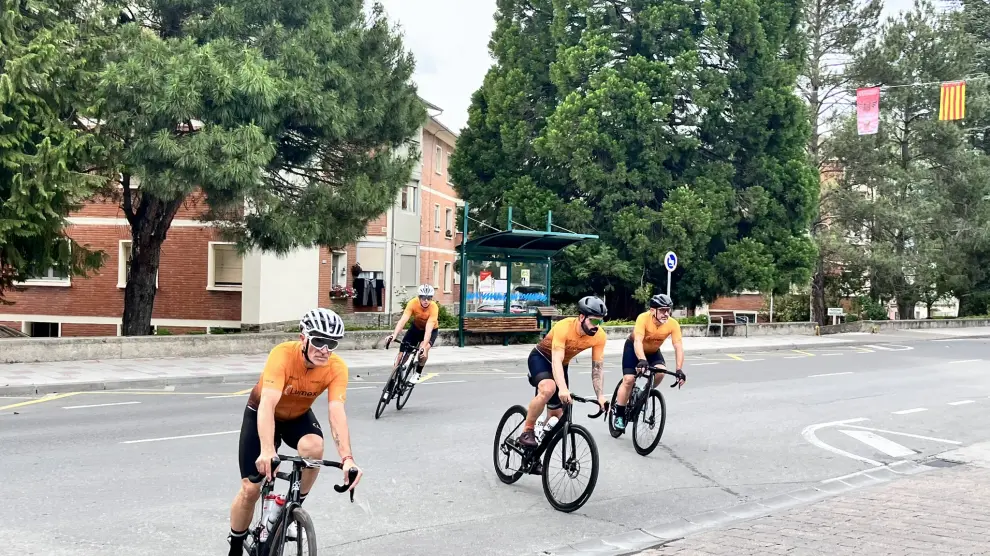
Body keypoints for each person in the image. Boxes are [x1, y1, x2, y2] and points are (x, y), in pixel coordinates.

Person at [227, 308, 362, 556]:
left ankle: (293, 506)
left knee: (314, 448)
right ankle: (236, 547)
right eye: (319, 341)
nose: (325, 349)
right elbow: (267, 403)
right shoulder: (283, 355)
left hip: (297, 417)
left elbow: (336, 413)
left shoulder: (336, 367)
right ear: (304, 338)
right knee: (250, 489)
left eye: (331, 343)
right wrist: (267, 450)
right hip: (263, 412)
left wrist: (347, 459)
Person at [518, 295, 610, 448]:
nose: (597, 325)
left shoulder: (599, 336)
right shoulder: (564, 327)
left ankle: (536, 453)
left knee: (557, 417)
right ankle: (527, 430)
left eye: (600, 321)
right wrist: (562, 388)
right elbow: (556, 360)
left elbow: (597, 368)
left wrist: (600, 396)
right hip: (542, 358)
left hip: (562, 364)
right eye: (594, 320)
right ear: (582, 317)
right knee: (549, 389)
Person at [614, 293, 686, 432]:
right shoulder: (643, 318)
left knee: (661, 372)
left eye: (668, 310)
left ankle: (644, 393)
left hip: (653, 352)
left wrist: (679, 370)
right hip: (634, 349)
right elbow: (638, 341)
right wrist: (641, 359)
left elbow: (678, 346)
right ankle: (620, 414)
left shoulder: (672, 324)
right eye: (663, 310)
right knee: (629, 379)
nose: (666, 313)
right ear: (653, 310)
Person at [385, 284, 439, 385]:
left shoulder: (433, 308)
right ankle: (392, 380)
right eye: (423, 297)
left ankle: (418, 373)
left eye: (429, 298)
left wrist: (423, 347)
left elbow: (428, 330)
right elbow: (403, 320)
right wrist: (394, 335)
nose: (426, 300)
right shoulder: (413, 303)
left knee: (423, 351)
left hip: (430, 330)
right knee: (401, 356)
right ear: (419, 297)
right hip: (415, 328)